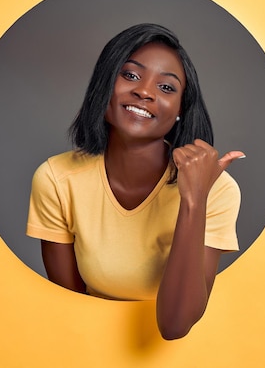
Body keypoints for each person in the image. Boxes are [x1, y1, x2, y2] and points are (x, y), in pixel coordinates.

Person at [26, 23, 244, 340]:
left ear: (180, 109)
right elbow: (70, 308)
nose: (145, 91)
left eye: (167, 88)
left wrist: (194, 199)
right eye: (130, 75)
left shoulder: (219, 191)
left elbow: (175, 325)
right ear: (104, 85)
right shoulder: (57, 179)